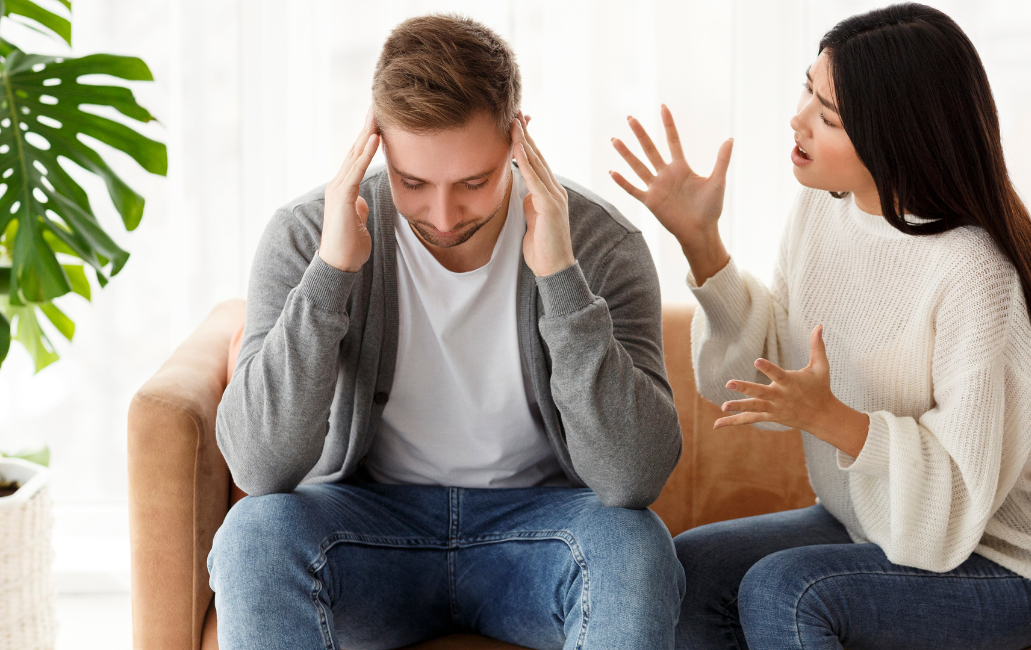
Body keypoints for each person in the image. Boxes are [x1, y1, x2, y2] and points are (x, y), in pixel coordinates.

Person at [610, 3, 1031, 649]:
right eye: (807, 89)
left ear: (896, 136)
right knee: (690, 568)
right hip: (871, 526)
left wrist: (830, 416)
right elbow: (760, 376)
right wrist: (701, 241)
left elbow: (951, 506)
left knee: (787, 588)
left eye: (827, 116)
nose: (798, 118)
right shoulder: (819, 210)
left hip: (999, 564)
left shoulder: (976, 275)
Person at [208, 14, 684, 650]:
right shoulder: (307, 234)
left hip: (539, 534)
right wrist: (330, 276)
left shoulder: (600, 243)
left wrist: (562, 279)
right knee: (253, 535)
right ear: (375, 145)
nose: (442, 215)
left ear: (518, 141)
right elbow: (260, 466)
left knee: (636, 545)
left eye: (474, 182)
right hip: (370, 531)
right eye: (412, 183)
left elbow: (633, 478)